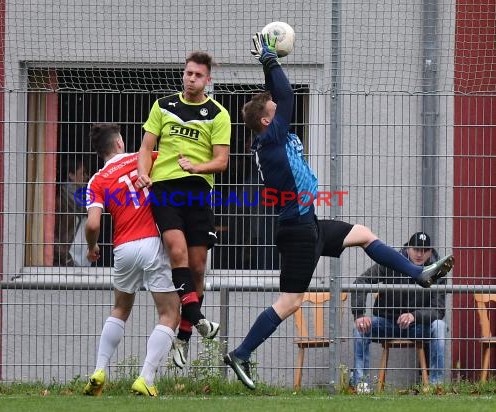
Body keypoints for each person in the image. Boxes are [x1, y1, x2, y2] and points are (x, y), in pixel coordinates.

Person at [222, 33, 454, 390]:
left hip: (306, 223)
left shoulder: (270, 135)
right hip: (298, 231)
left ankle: (419, 274)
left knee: (362, 234)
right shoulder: (271, 139)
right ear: (268, 121)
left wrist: (267, 67)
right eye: (273, 112)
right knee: (289, 303)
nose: (280, 110)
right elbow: (284, 94)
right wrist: (269, 59)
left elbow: (275, 97)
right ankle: (240, 354)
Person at [136, 51, 231, 368]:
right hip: (165, 189)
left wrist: (197, 166)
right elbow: (147, 148)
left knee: (198, 267)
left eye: (198, 75)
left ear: (208, 80)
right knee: (177, 253)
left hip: (198, 192)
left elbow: (221, 161)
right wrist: (142, 172)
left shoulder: (217, 114)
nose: (191, 79)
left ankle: (185, 336)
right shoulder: (163, 106)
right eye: (188, 73)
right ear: (184, 74)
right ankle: (199, 318)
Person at [82, 123, 180, 397]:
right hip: (152, 242)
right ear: (120, 143)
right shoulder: (144, 157)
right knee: (169, 313)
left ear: (100, 150)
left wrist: (92, 247)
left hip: (123, 249)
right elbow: (177, 165)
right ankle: (146, 378)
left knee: (120, 309)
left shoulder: (97, 181)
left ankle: (99, 370)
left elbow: (92, 225)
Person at [351, 232, 447, 391]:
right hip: (386, 323)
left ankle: (437, 385)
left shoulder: (437, 271)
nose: (419, 254)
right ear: (408, 248)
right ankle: (361, 383)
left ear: (430, 252)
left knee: (440, 326)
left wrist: (414, 316)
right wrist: (359, 314)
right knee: (359, 329)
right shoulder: (391, 261)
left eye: (425, 250)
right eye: (416, 249)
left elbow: (438, 310)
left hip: (417, 327)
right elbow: (361, 281)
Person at [53, 156, 90, 266]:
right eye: (82, 173)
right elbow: (50, 234)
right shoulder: (61, 201)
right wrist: (67, 258)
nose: (86, 177)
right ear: (71, 175)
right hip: (67, 264)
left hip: (83, 263)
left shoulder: (86, 200)